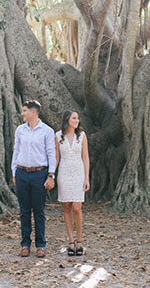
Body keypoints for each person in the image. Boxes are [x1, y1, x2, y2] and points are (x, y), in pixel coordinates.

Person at [11, 99, 56, 258]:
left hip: (39, 174)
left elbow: (51, 153)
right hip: (22, 172)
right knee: (24, 211)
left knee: (38, 211)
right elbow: (16, 151)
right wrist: (14, 172)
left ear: (33, 112)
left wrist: (51, 175)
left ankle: (40, 245)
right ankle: (25, 244)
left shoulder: (47, 131)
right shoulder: (20, 130)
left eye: (24, 110)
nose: (22, 113)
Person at [55, 109, 90, 256]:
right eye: (74, 118)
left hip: (78, 173)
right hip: (63, 173)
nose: (77, 121)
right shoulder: (58, 136)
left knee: (77, 207)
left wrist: (87, 178)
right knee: (67, 207)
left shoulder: (81, 136)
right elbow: (56, 158)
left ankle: (80, 241)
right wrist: (50, 174)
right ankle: (70, 241)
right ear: (67, 120)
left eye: (78, 118)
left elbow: (86, 158)